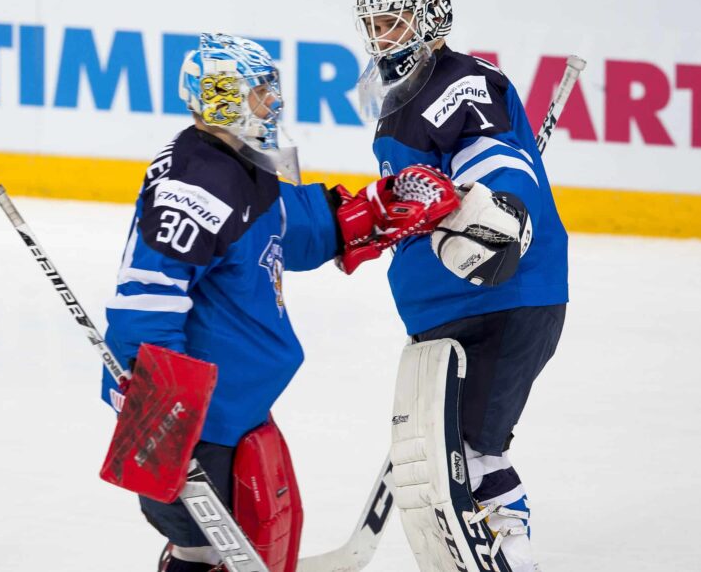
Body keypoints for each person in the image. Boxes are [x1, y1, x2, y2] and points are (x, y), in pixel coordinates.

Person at [101, 32, 457, 571]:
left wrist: (367, 213)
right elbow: (148, 294)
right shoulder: (196, 180)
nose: (273, 101)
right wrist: (163, 408)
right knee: (215, 549)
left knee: (257, 540)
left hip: (232, 406)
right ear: (221, 95)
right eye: (259, 90)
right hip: (195, 419)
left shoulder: (238, 166)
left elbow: (289, 226)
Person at [350, 0, 569, 571]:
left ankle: (514, 555)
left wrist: (496, 209)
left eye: (393, 21)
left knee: (476, 453)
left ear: (429, 18)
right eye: (374, 24)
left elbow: (498, 163)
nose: (381, 37)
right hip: (445, 303)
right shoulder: (400, 100)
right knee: (451, 458)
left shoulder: (461, 82)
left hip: (505, 299)